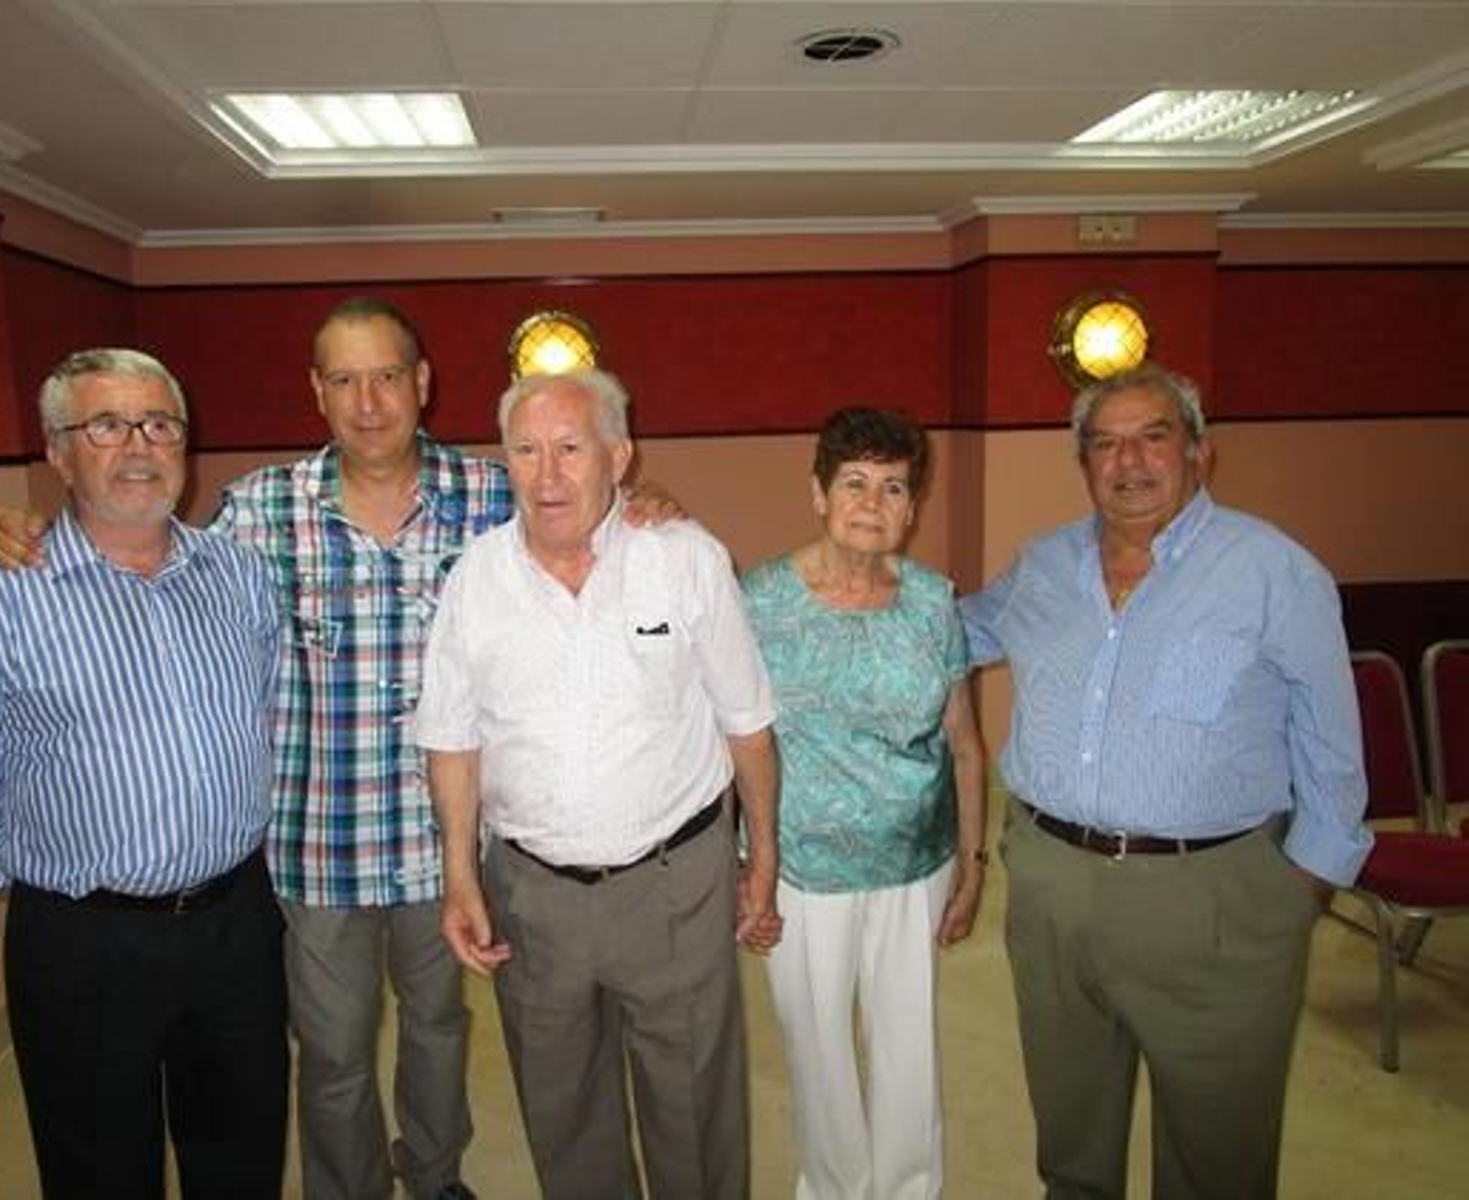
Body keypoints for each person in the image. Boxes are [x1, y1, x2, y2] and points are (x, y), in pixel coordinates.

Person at [0, 298, 679, 1200]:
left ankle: (434, 1176)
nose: (369, 400)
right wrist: (13, 531)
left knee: (438, 1028)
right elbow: (141, 552)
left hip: (450, 844)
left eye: (387, 375)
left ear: (422, 384)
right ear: (317, 392)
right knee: (332, 1052)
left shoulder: (493, 497)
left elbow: (593, 525)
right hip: (316, 851)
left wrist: (644, 500)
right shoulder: (257, 515)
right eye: (344, 379)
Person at [961, 363, 1372, 1200]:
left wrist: (1294, 894)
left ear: (1199, 453)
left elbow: (1334, 752)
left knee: (1217, 1157)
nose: (1129, 462)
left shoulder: (1274, 572)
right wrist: (839, 575)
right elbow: (948, 636)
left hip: (1213, 898)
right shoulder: (1042, 565)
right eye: (1105, 443)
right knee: (1071, 1141)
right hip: (1053, 890)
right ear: (1083, 463)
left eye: (1154, 436)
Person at [0, 348, 287, 1199]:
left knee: (244, 1156)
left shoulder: (239, 575)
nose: (139, 445)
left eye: (160, 423)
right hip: (84, 942)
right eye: (106, 425)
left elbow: (263, 708)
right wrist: (28, 887)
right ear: (57, 449)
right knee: (98, 1172)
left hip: (236, 926)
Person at [415, 369, 781, 1198]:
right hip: (534, 899)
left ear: (619, 455)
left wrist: (762, 853)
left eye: (571, 448)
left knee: (694, 1111)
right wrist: (460, 879)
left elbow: (746, 720)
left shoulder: (685, 558)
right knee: (563, 1113)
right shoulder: (475, 579)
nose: (547, 475)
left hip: (675, 887)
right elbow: (451, 741)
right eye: (527, 450)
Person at [742, 407, 986, 1200]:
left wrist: (974, 862)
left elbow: (965, 744)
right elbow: (732, 744)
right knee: (817, 1052)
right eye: (854, 483)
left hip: (915, 861)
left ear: (913, 507)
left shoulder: (931, 600)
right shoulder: (760, 600)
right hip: (800, 868)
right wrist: (747, 867)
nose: (873, 503)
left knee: (908, 1044)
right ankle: (834, 1189)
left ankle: (911, 1189)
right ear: (818, 493)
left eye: (893, 487)